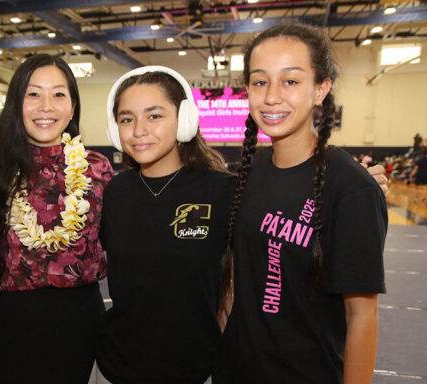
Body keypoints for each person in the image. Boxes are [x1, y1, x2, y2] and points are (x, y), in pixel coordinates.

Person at [216, 23, 387, 383]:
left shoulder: (351, 187)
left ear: (320, 89)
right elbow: (235, 281)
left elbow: (362, 316)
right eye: (260, 82)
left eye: (290, 81)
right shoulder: (247, 172)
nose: (271, 96)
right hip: (234, 371)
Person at [0, 53, 113, 384]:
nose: (46, 106)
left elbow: (117, 242)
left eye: (58, 94)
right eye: (34, 94)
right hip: (15, 321)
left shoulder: (97, 170)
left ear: (72, 106)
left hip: (80, 318)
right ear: (16, 104)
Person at [96, 66, 233, 383]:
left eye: (154, 116)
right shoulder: (115, 192)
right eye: (127, 119)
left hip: (195, 369)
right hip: (118, 367)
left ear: (184, 119)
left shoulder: (222, 191)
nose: (138, 130)